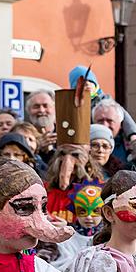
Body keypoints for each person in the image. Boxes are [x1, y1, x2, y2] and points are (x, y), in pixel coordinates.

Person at [45, 90, 106, 224]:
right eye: (62, 154)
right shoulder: (44, 191)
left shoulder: (100, 192)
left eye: (75, 155)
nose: (68, 161)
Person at [68, 66, 136, 151]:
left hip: (111, 142)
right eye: (83, 83)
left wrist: (133, 137)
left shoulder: (106, 100)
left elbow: (126, 119)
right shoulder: (73, 105)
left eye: (90, 81)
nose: (87, 84)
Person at [43, 181, 104, 272]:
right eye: (82, 211)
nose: (88, 217)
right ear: (75, 210)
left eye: (95, 211)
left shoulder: (109, 237)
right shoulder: (67, 235)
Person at [93, 98, 136, 164]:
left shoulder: (132, 148)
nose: (105, 125)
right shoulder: (86, 147)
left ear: (120, 124)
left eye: (109, 121)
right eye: (100, 121)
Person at [25, 89, 58, 161]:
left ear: (54, 109)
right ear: (28, 110)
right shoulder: (22, 136)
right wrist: (37, 148)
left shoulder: (64, 133)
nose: (42, 110)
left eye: (45, 106)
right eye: (36, 106)